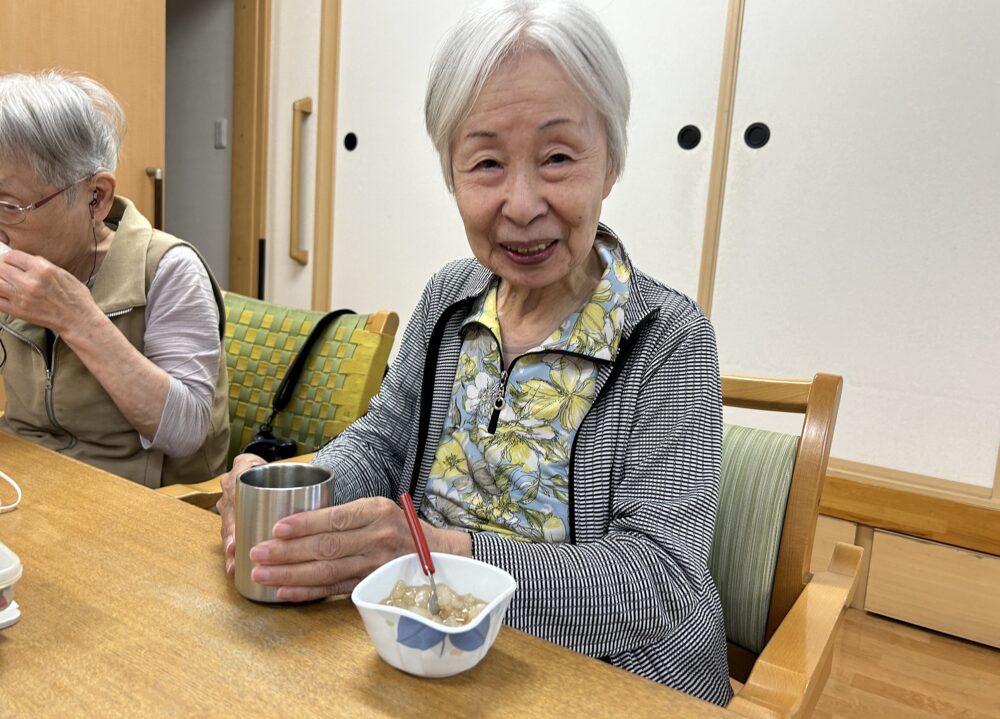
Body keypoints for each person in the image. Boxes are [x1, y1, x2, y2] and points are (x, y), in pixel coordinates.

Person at [218, 0, 732, 705]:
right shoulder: (451, 298)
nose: (520, 204)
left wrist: (440, 555)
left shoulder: (670, 338)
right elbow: (382, 439)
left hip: (609, 681)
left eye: (557, 157)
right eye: (486, 163)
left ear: (610, 161)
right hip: (430, 654)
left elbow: (659, 582)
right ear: (452, 174)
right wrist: (302, 498)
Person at [0, 71, 230, 488]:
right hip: (28, 483)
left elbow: (187, 431)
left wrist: (76, 318)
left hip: (135, 505)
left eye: (9, 205)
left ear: (96, 196)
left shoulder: (167, 269)